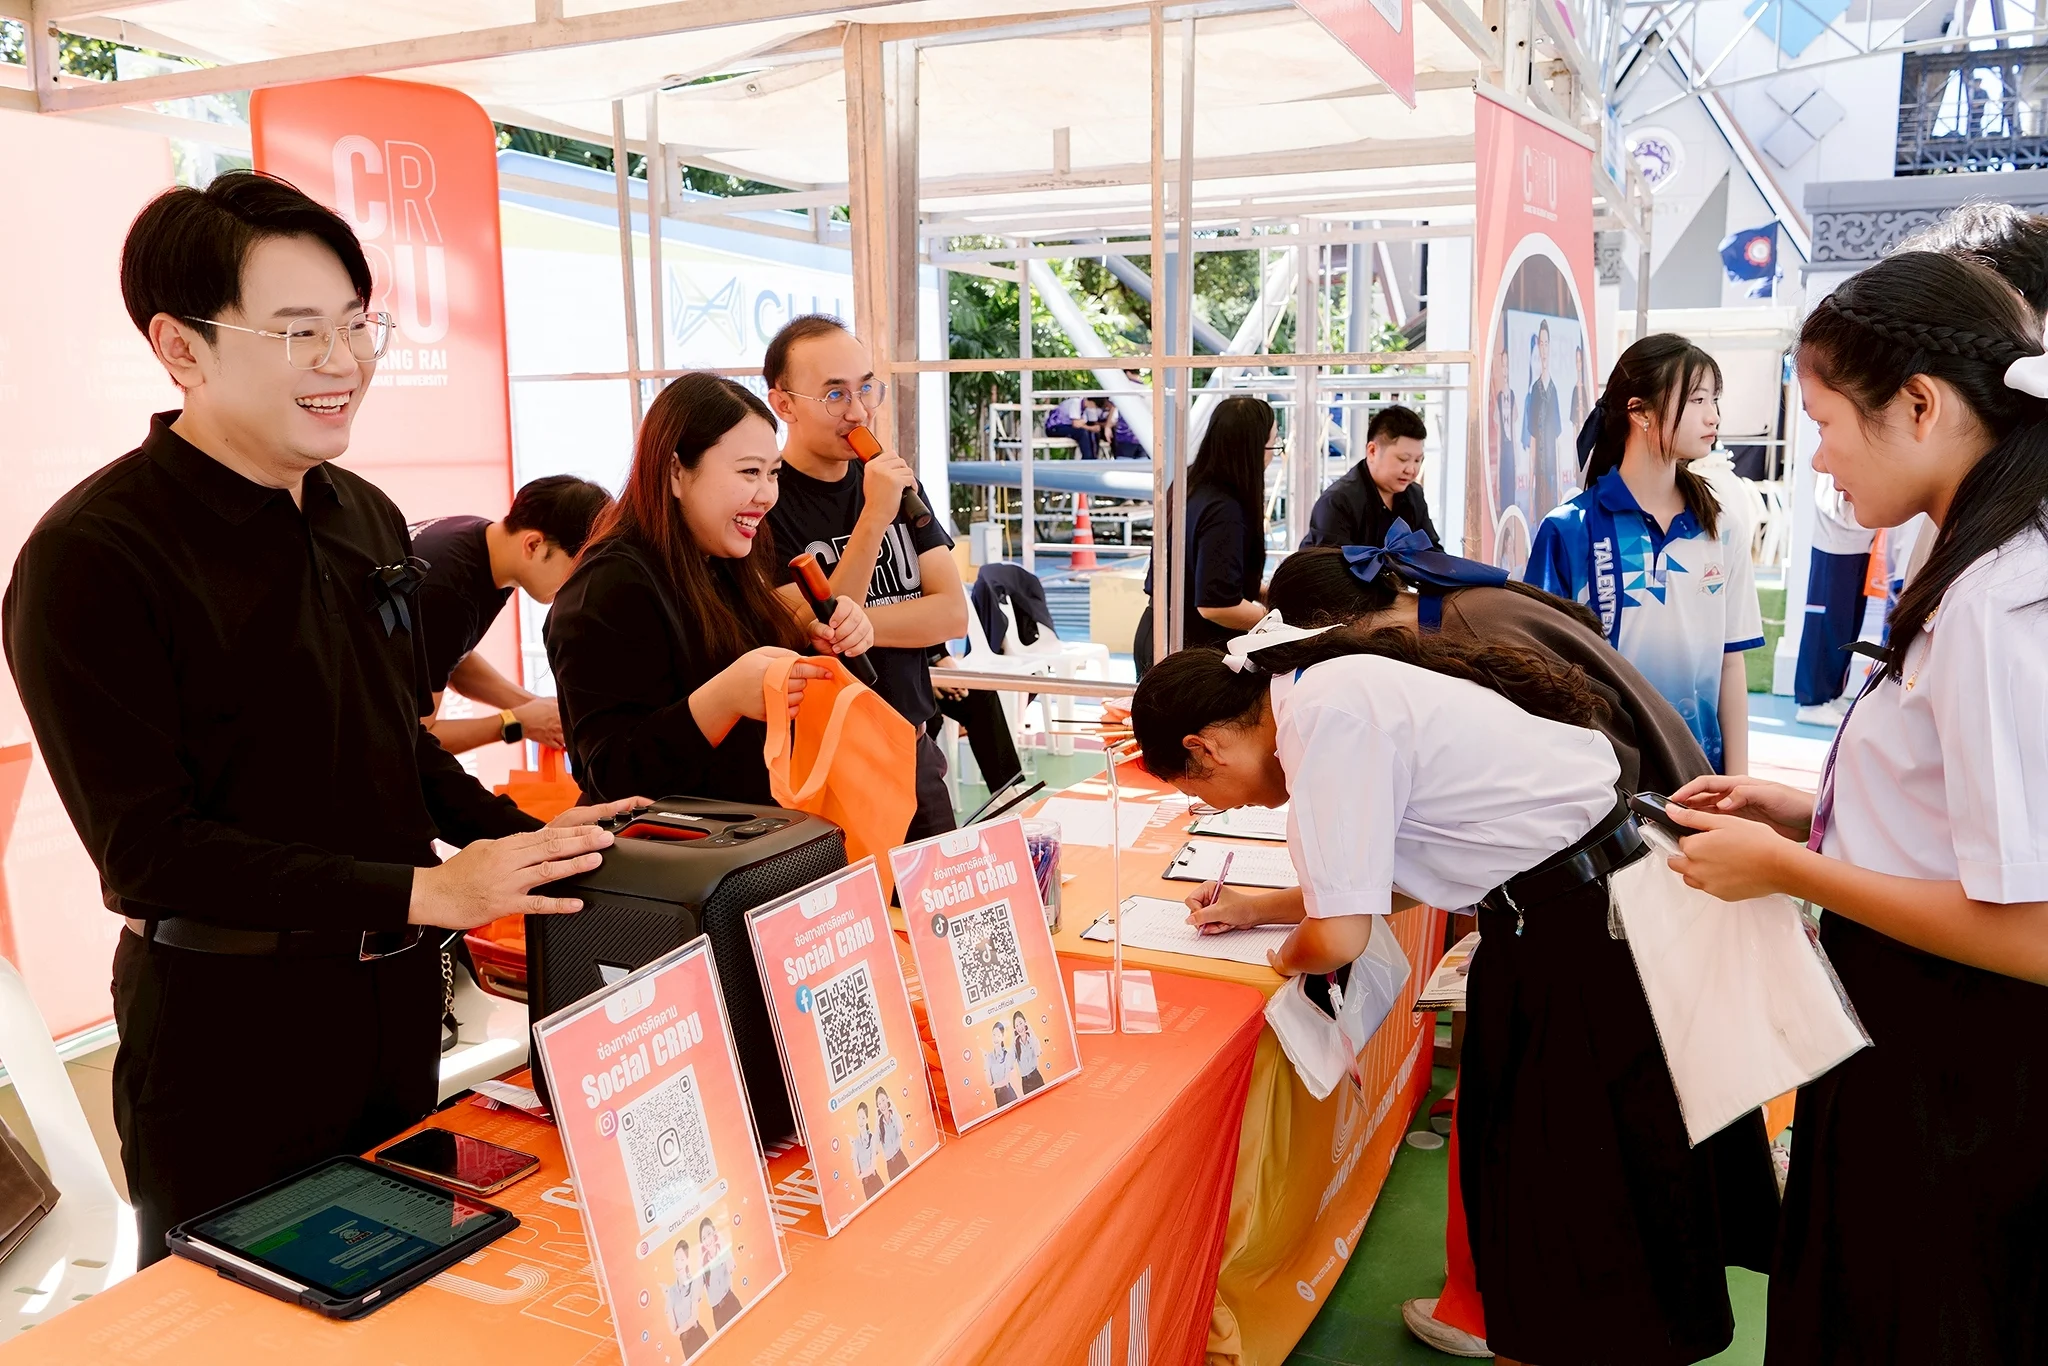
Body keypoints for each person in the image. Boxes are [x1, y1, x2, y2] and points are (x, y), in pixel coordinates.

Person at [1, 172, 638, 1263]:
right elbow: (150, 851)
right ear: (181, 347)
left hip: (396, 1004)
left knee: (403, 1286)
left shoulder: (364, 515)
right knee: (249, 1313)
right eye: (299, 332)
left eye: (355, 324)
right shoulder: (92, 558)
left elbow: (394, 744)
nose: (344, 362)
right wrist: (429, 890)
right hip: (228, 1029)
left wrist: (529, 838)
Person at [1132, 621, 1777, 1366]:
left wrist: (1281, 953)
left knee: (1561, 1202)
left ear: (1205, 748)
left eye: (1209, 794)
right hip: (1580, 916)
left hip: (1576, 944)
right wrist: (1258, 908)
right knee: (1569, 1195)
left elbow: (1337, 938)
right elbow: (1401, 877)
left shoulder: (1324, 719)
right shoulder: (1329, 691)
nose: (1237, 807)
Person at [1665, 250, 2048, 1366]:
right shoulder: (1977, 556)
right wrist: (1802, 813)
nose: (1820, 459)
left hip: (1957, 1070)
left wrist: (1791, 870)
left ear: (1919, 405)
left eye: (1827, 423)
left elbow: (2032, 930)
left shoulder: (1998, 598)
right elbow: (1956, 816)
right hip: (1920, 1038)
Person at [1265, 537, 1732, 1357]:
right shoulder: (1440, 627)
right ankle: (1499, 1311)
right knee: (1560, 1175)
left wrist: (1282, 946)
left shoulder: (1402, 659)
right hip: (1589, 889)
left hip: (1584, 903)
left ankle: (1509, 1319)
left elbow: (1348, 924)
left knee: (1563, 1185)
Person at [545, 373, 872, 805]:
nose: (767, 495)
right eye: (750, 472)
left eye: (773, 474)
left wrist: (811, 648)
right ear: (675, 471)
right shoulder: (606, 588)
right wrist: (724, 699)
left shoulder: (722, 562)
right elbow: (611, 775)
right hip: (673, 845)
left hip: (761, 833)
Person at [761, 315, 968, 840]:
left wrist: (864, 626)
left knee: (938, 891)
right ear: (783, 404)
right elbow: (821, 630)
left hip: (911, 745)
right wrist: (874, 517)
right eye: (835, 395)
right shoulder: (765, 501)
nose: (858, 412)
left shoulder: (891, 480)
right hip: (825, 766)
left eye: (866, 389)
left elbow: (950, 613)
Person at [1526, 333, 1764, 775]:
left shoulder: (1721, 527)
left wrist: (1738, 782)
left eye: (1714, 400)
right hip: (1601, 776)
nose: (1713, 415)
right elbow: (1543, 667)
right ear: (1640, 411)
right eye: (1696, 400)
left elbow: (1731, 661)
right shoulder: (1570, 528)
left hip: (1699, 774)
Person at [412, 475, 612, 755]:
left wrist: (531, 706)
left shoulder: (477, 542)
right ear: (534, 545)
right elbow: (415, 741)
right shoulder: (449, 593)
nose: (578, 589)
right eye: (577, 573)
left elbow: (447, 656)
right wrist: (516, 723)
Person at [1132, 395, 1276, 675]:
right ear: (1253, 448)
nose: (1272, 455)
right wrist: (1272, 621)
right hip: (1190, 652)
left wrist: (1260, 591)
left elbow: (1201, 570)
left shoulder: (1190, 482)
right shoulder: (1225, 509)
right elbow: (1216, 605)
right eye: (1272, 445)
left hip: (1161, 633)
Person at [1791, 475, 1876, 728]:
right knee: (1825, 625)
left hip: (1863, 545)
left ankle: (1832, 693)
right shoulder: (1833, 460)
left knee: (1848, 625)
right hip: (1835, 546)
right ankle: (1811, 701)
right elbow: (1829, 501)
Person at [1301, 404, 1441, 551]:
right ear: (1372, 451)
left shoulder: (1414, 495)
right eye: (1403, 459)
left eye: (1418, 460)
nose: (1411, 470)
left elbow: (1432, 552)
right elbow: (1331, 564)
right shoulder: (1337, 502)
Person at [1523, 322, 1562, 517]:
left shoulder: (1554, 391)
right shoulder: (1535, 391)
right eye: (1541, 344)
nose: (1544, 349)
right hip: (1539, 476)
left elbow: (1558, 439)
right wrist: (1530, 495)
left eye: (1547, 344)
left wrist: (1561, 486)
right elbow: (1532, 440)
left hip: (1553, 476)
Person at [666, 1237, 710, 1356]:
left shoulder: (693, 1282)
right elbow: (672, 1327)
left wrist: (679, 1331)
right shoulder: (671, 1292)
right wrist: (677, 1331)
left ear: (687, 1261)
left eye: (682, 1259)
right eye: (676, 1259)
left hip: (697, 1335)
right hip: (685, 1343)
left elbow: (694, 1317)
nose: (678, 1263)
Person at [699, 1217, 743, 1328]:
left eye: (709, 1234)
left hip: (731, 1302)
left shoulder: (723, 1251)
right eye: (704, 1238)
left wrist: (721, 1241)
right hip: (717, 1312)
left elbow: (731, 1267)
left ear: (715, 1233)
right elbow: (698, 1292)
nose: (707, 1240)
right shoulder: (703, 1264)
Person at [1044, 393, 1111, 459]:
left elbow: (1083, 423)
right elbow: (1076, 424)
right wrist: (1091, 428)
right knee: (1082, 432)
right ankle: (1087, 458)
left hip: (1067, 426)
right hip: (1055, 427)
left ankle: (1093, 457)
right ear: (1092, 403)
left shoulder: (1085, 408)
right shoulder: (1076, 403)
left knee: (1092, 433)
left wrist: (1091, 427)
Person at [876, 1088, 908, 1178]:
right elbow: (875, 1146)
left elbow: (901, 1130)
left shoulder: (894, 1116)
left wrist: (894, 1108)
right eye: (879, 1103)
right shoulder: (879, 1125)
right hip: (890, 1165)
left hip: (900, 1157)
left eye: (883, 1100)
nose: (882, 1105)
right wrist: (876, 1120)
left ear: (888, 1099)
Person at [853, 1102, 883, 1198]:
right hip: (866, 1186)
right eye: (858, 1117)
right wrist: (860, 1175)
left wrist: (860, 1175)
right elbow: (857, 1171)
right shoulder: (855, 1143)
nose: (860, 1121)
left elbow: (872, 1167)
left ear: (866, 1120)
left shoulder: (872, 1138)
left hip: (875, 1181)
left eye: (863, 1118)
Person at [1012, 1010, 1046, 1094]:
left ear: (1025, 1022)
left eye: (1020, 1023)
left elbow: (1037, 1052)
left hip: (1036, 1077)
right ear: (1015, 1029)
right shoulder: (1015, 1045)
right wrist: (1013, 1040)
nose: (1019, 1027)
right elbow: (1010, 1061)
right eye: (1016, 1026)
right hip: (1025, 1083)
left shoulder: (1032, 1039)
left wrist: (1031, 1031)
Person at [986, 1021, 1018, 1105]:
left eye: (998, 1036)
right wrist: (986, 1064)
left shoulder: (1007, 1055)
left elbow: (1006, 1081)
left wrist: (993, 1086)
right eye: (994, 1035)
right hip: (998, 1096)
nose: (995, 1038)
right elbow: (989, 1082)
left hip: (1008, 1094)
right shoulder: (989, 1057)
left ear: (1002, 1037)